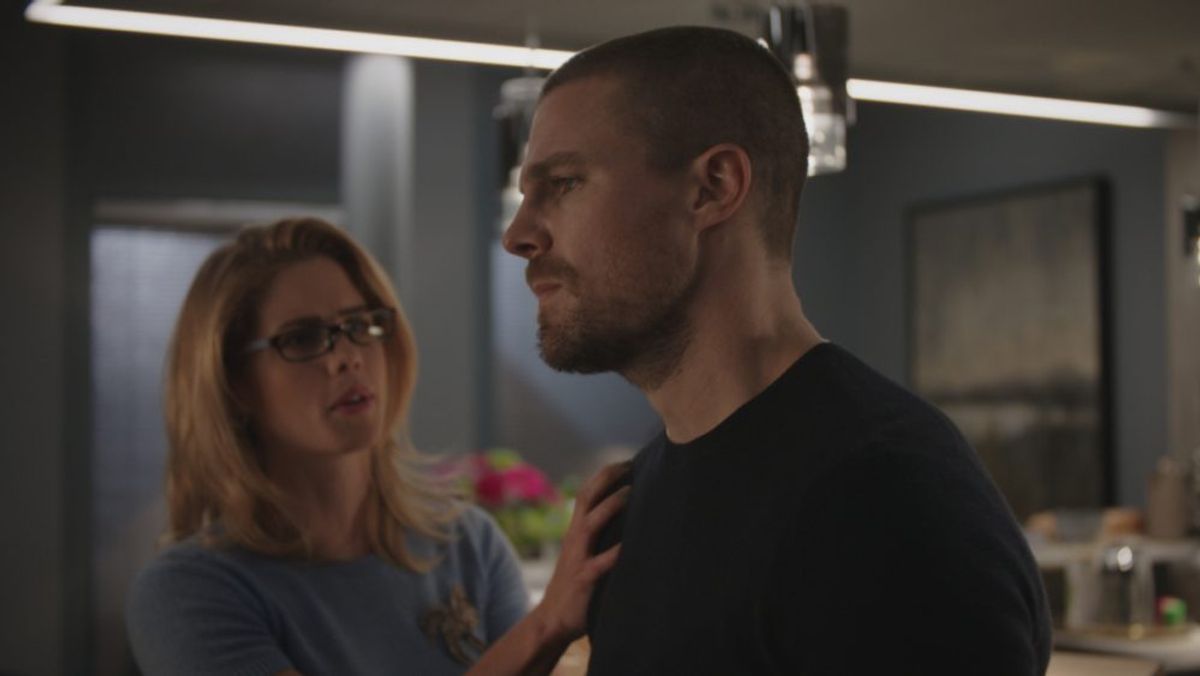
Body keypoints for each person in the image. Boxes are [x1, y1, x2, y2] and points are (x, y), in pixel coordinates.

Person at [501, 26, 1052, 675]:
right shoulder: (636, 498)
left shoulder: (883, 504)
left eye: (565, 183)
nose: (519, 234)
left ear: (713, 187)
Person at [126, 217, 629, 675]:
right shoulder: (187, 591)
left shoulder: (468, 545)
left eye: (360, 326)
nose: (347, 356)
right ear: (234, 382)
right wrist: (545, 625)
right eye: (302, 339)